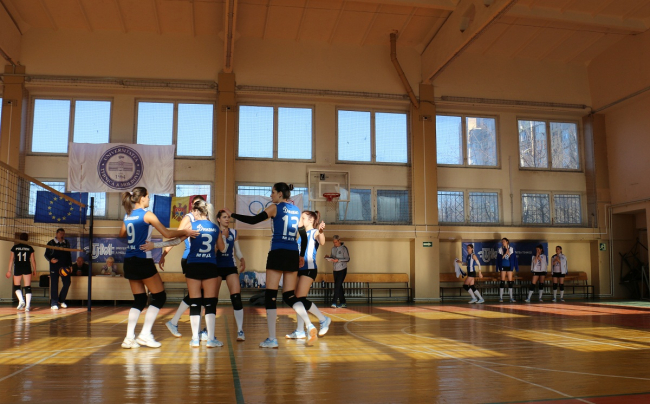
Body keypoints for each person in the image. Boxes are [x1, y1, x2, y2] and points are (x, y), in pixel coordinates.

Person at [227, 182, 317, 348]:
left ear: (280, 194)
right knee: (290, 295)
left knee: (271, 295)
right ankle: (309, 325)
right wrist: (301, 255)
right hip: (292, 253)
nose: (271, 195)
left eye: (273, 192)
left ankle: (272, 339)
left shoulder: (275, 208)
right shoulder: (297, 211)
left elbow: (253, 220)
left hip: (277, 252)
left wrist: (232, 214)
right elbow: (303, 237)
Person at [119, 187, 197, 349]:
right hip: (142, 260)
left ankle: (128, 338)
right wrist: (186, 231)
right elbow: (167, 234)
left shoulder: (128, 215)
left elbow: (122, 234)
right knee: (159, 297)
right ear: (142, 198)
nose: (149, 199)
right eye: (148, 196)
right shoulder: (147, 214)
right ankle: (145, 334)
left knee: (139, 300)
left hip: (129, 260)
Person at [160, 195, 205, 338]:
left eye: (200, 204)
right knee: (196, 294)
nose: (198, 207)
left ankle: (185, 325)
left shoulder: (204, 220)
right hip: (190, 259)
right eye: (196, 204)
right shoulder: (188, 218)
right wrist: (164, 254)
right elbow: (177, 238)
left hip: (201, 260)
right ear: (192, 206)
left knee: (200, 295)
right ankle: (178, 323)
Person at [286, 211, 331, 339]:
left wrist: (321, 231)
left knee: (300, 299)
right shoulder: (301, 235)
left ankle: (323, 319)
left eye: (303, 218)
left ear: (311, 220)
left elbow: (322, 241)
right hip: (298, 269)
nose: (300, 220)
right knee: (297, 300)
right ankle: (300, 330)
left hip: (309, 269)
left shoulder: (315, 232)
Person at [213, 209, 247, 341]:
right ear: (218, 219)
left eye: (228, 217)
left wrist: (242, 259)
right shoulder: (214, 232)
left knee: (236, 297)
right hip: (216, 267)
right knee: (212, 300)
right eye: (224, 217)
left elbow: (237, 250)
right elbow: (215, 250)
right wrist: (222, 237)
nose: (227, 219)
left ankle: (240, 330)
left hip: (230, 266)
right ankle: (208, 330)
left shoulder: (234, 232)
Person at [6, 233, 36, 311]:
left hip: (18, 267)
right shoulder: (30, 248)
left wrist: (9, 270)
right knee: (27, 287)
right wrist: (34, 270)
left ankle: (21, 300)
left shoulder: (15, 247)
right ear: (27, 239)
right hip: (27, 267)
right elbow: (33, 260)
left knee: (16, 286)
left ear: (19, 238)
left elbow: (11, 260)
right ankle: (27, 306)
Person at [44, 228, 73, 310]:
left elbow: (69, 254)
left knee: (67, 282)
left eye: (63, 233)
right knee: (54, 284)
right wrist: (51, 260)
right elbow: (46, 254)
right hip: (54, 266)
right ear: (56, 234)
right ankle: (54, 302)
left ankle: (61, 300)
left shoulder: (66, 243)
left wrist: (70, 265)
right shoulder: (51, 243)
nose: (62, 235)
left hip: (64, 267)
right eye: (60, 233)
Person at [325, 235, 350, 308]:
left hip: (342, 269)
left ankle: (334, 302)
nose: (334, 243)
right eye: (333, 242)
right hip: (335, 270)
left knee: (337, 286)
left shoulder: (344, 248)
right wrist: (328, 258)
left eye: (336, 242)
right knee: (339, 286)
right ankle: (343, 302)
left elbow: (347, 259)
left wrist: (338, 260)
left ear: (339, 241)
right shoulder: (333, 249)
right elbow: (332, 258)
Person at [496, 238, 518, 303]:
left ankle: (511, 297)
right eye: (502, 242)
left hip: (509, 267)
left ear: (507, 242)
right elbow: (500, 259)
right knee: (502, 281)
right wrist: (505, 253)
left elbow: (513, 258)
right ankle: (501, 297)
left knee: (510, 282)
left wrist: (508, 254)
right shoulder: (500, 249)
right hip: (503, 266)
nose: (503, 243)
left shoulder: (511, 249)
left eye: (504, 241)